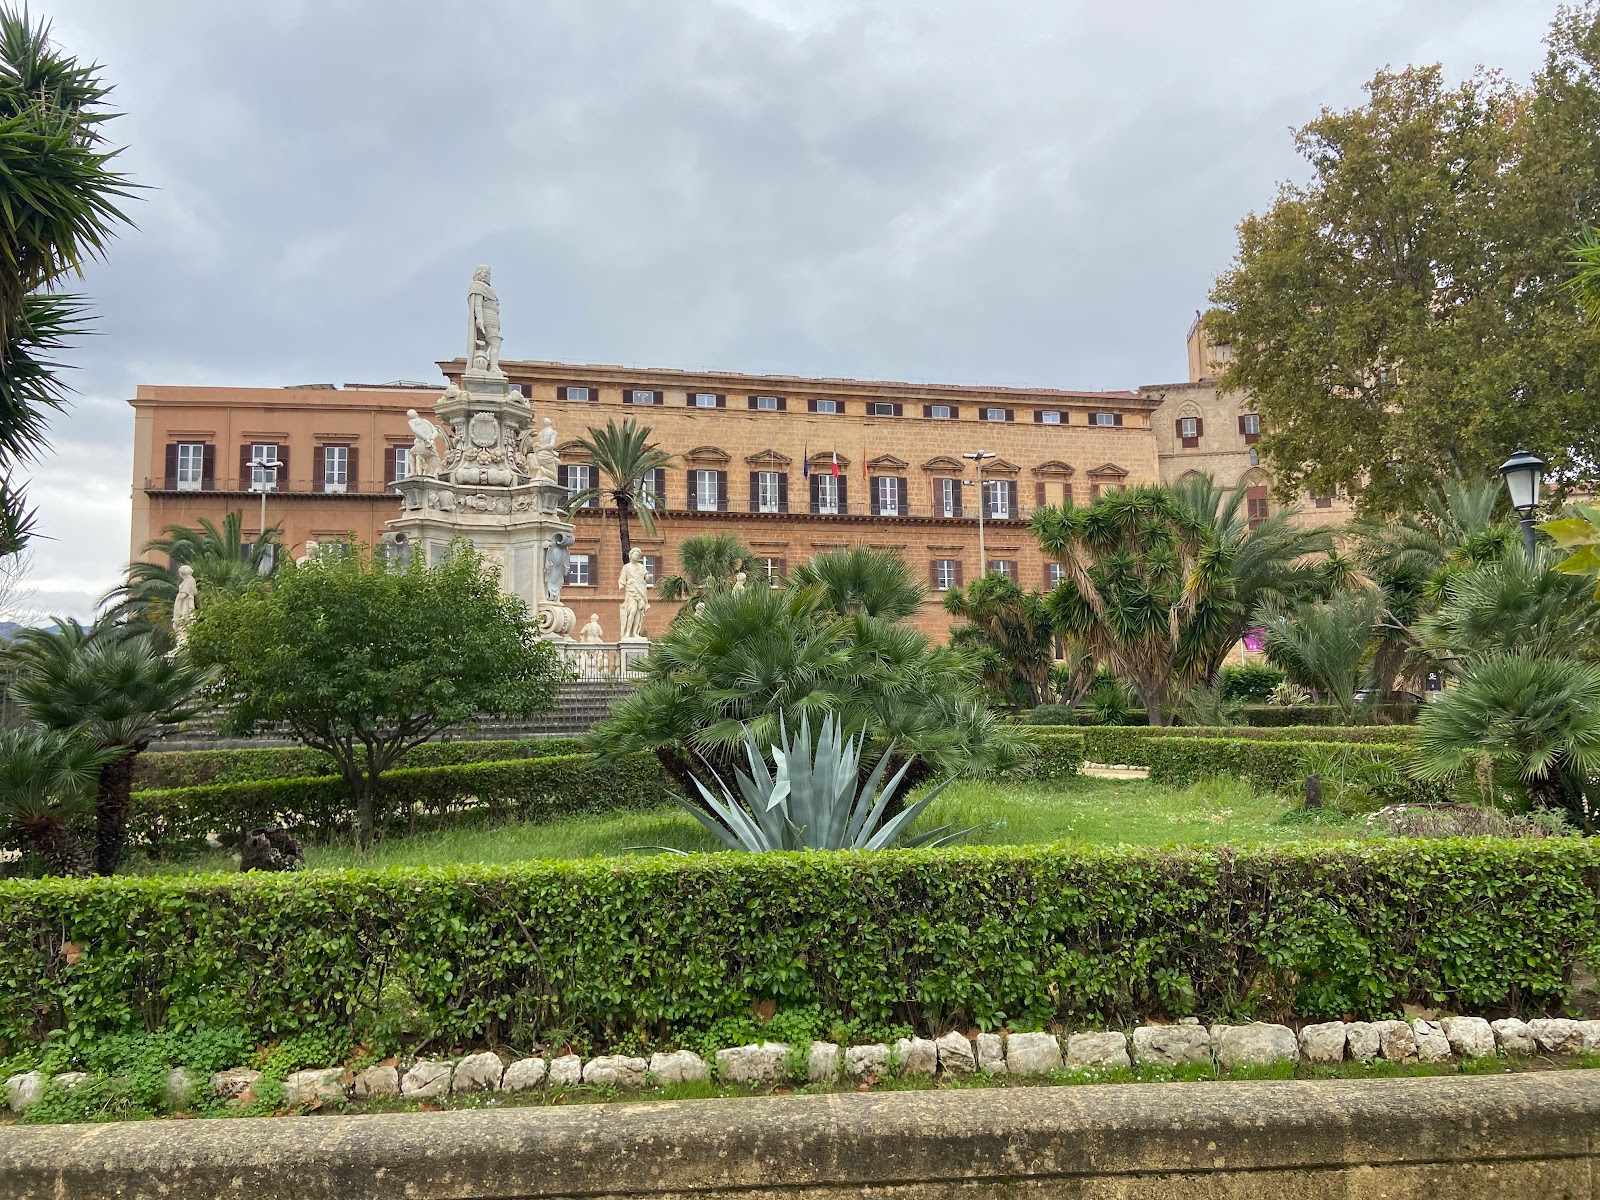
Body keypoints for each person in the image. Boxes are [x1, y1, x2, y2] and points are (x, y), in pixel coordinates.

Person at [467, 265, 502, 373]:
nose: (490, 277)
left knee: (484, 345)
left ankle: (479, 367)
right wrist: (480, 318)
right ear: (483, 274)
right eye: (489, 274)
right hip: (488, 318)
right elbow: (477, 304)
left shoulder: (485, 288)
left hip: (492, 318)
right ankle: (494, 367)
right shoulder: (477, 286)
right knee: (495, 343)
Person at [618, 547, 651, 639]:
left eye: (639, 555)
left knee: (638, 613)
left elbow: (646, 577)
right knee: (632, 610)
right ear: (631, 555)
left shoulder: (641, 566)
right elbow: (623, 579)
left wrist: (648, 576)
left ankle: (635, 633)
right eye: (636, 554)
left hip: (641, 590)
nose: (637, 556)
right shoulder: (626, 567)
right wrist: (623, 583)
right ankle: (627, 632)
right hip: (631, 590)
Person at [172, 564, 198, 645]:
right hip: (186, 602)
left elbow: (184, 594)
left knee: (184, 618)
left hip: (185, 603)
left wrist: (178, 599)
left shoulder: (189, 581)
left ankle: (183, 637)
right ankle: (182, 637)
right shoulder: (190, 580)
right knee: (184, 619)